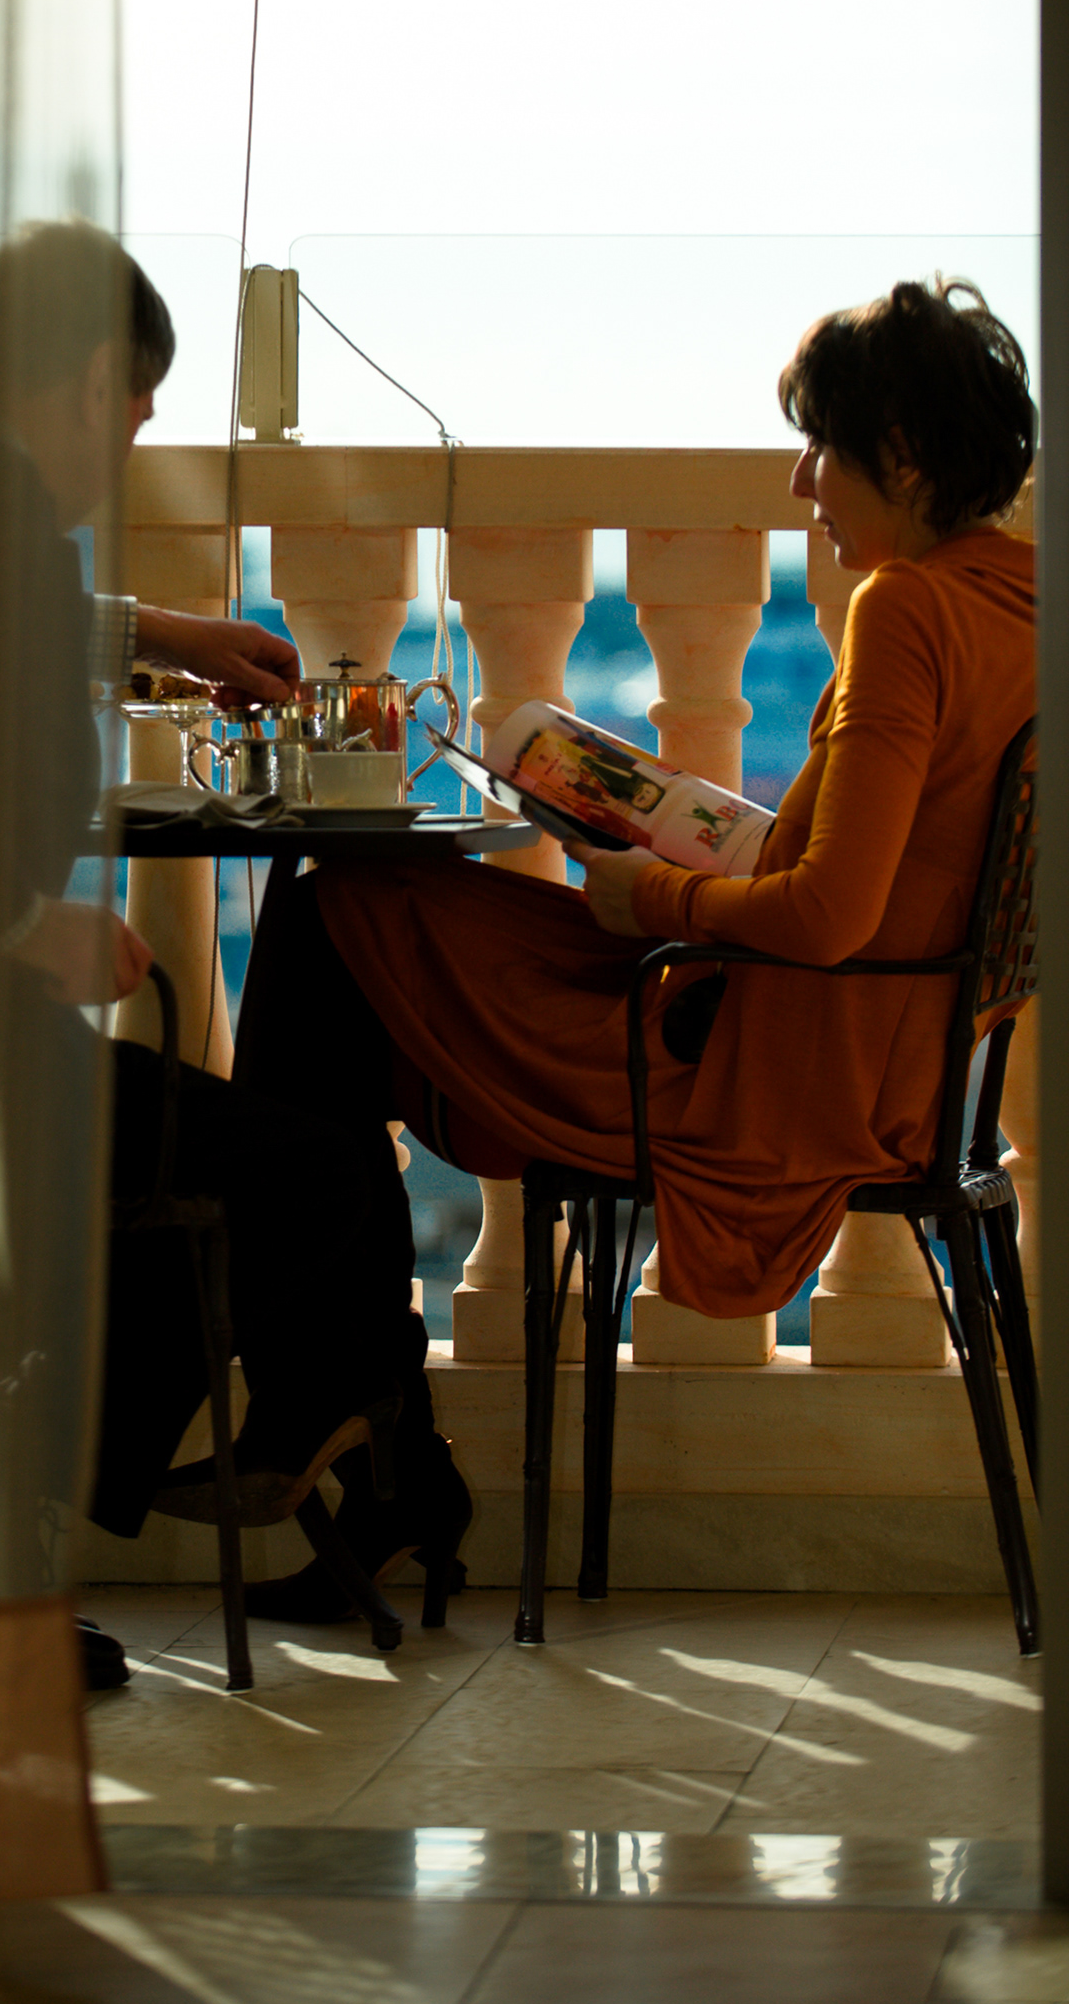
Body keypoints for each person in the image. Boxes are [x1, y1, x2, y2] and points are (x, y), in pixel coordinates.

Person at [0, 223, 472, 1678]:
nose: (125, 454)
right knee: (317, 1169)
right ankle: (118, 1511)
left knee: (230, 1141)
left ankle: (335, 1469)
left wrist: (162, 634)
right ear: (78, 383)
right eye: (131, 417)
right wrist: (7, 923)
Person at [236, 277, 1035, 1615]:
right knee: (358, 924)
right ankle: (374, 1459)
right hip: (889, 1065)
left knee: (330, 921)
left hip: (756, 1068)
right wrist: (687, 835)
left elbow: (832, 916)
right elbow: (891, 880)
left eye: (820, 448)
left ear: (900, 455)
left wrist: (650, 898)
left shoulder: (908, 609)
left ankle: (354, 1449)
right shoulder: (1024, 603)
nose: (801, 484)